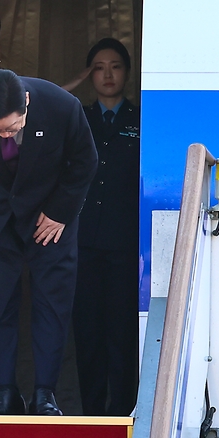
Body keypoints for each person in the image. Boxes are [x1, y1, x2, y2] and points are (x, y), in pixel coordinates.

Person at [0, 69, 98, 415]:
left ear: (25, 103)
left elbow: (85, 160)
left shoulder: (62, 105)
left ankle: (45, 394)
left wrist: (61, 212)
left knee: (52, 305)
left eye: (12, 128)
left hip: (49, 219)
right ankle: (4, 393)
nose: (5, 135)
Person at [67, 38, 140, 416]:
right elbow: (32, 106)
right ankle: (93, 413)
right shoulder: (77, 117)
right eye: (98, 66)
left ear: (128, 72)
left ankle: (123, 411)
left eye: (116, 66)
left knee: (123, 332)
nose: (108, 74)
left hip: (128, 245)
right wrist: (73, 84)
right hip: (84, 243)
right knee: (89, 333)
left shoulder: (141, 120)